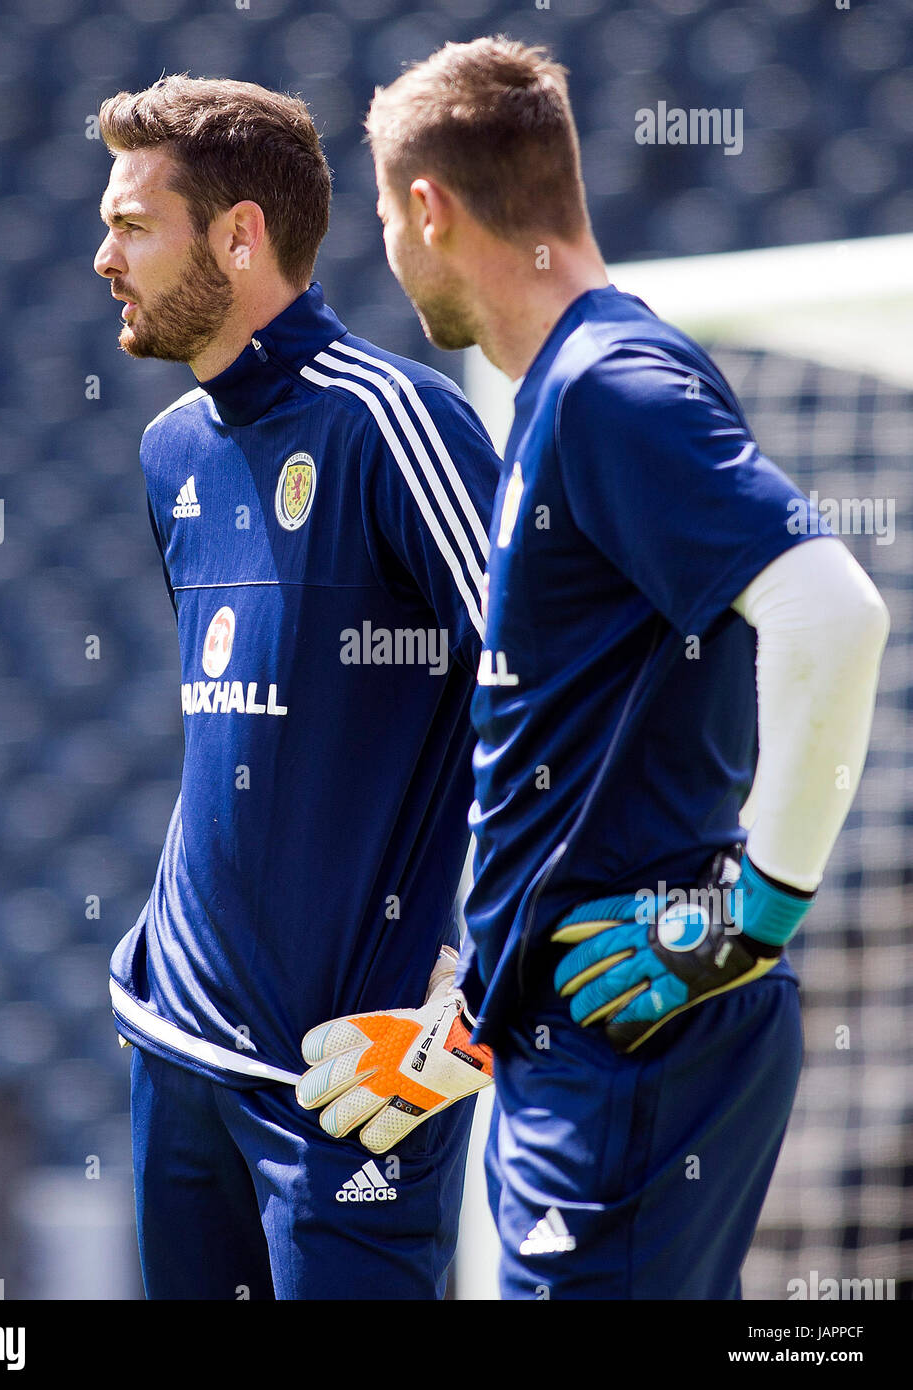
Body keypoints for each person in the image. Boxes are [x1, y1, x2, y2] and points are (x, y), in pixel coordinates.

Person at [357, 36, 889, 1298]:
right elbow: (586, 745)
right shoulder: (571, 389)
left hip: (635, 1037)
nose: (385, 248)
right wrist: (481, 999)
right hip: (576, 1034)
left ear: (427, 209)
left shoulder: (609, 387)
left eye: (384, 215)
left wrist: (753, 913)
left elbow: (834, 612)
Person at [92, 74, 500, 1300]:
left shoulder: (395, 425)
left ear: (239, 235)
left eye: (130, 224)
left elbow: (556, 693)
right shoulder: (170, 450)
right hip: (178, 1057)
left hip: (349, 1080)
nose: (102, 256)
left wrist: (479, 988)